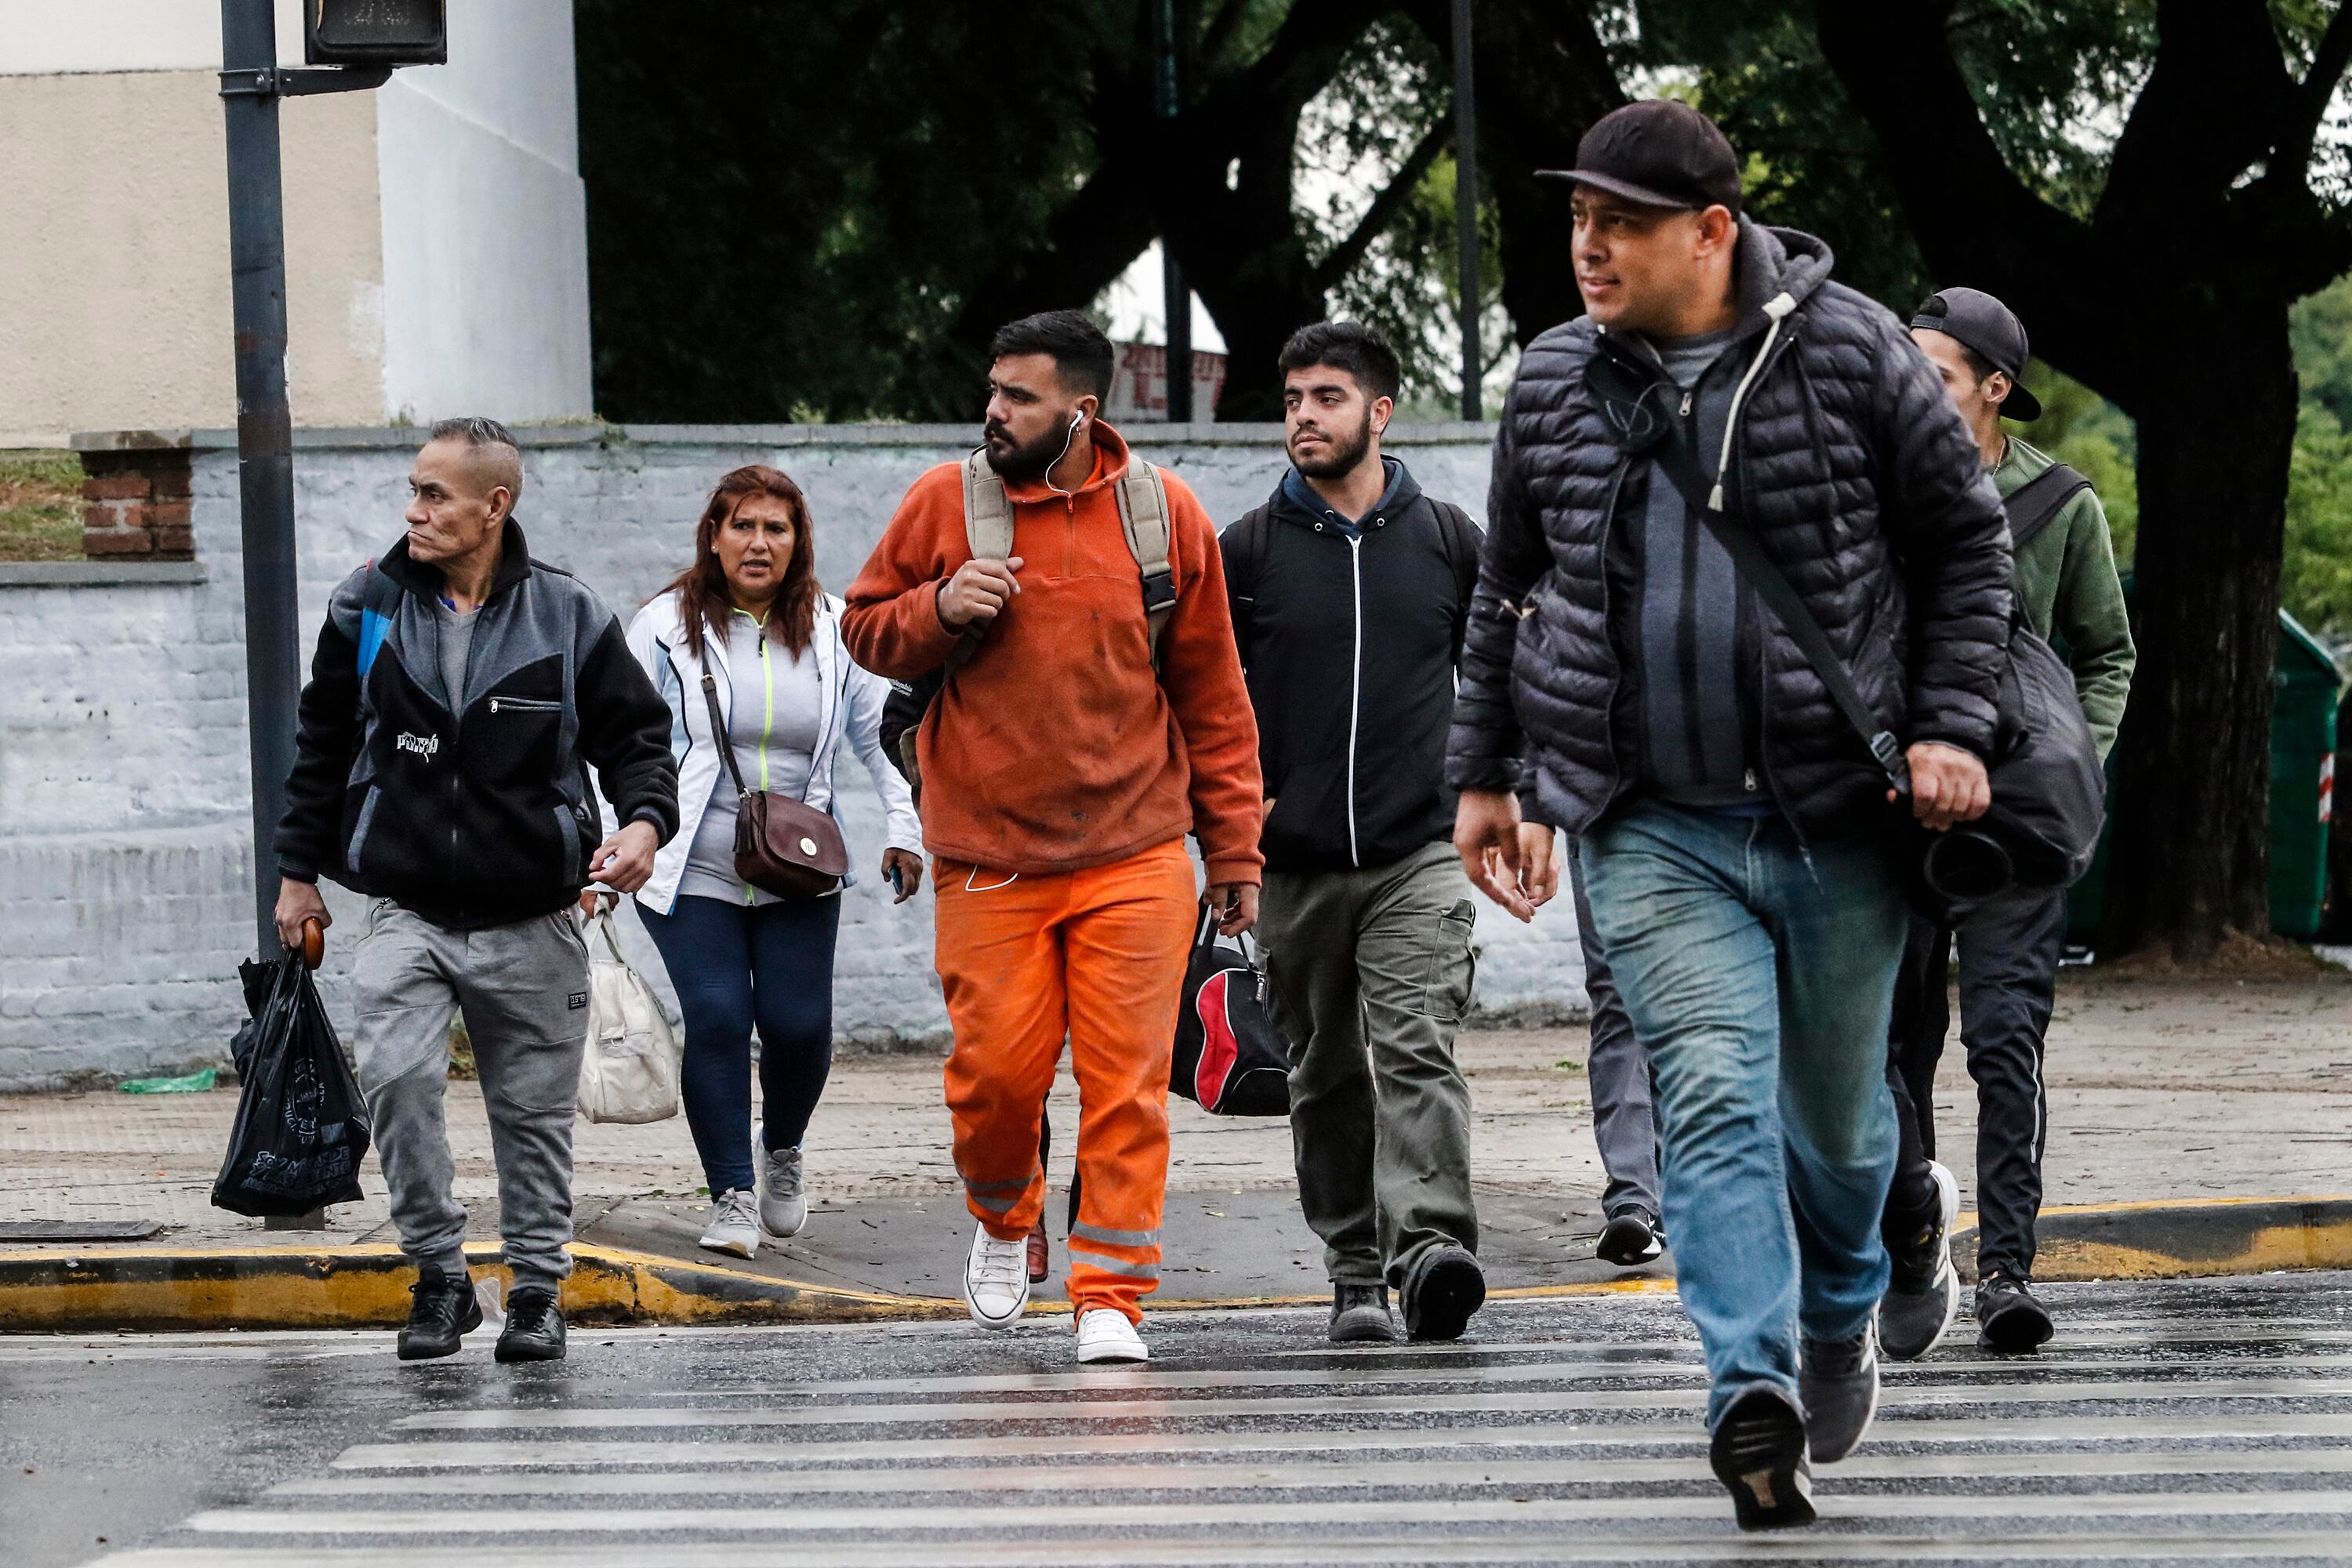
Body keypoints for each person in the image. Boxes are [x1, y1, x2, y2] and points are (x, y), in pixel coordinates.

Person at [1447, 101, 2012, 1528]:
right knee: (1704, 1095)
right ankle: (1745, 1383)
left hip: (1837, 816)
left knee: (1833, 1126)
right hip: (1647, 820)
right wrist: (1486, 775)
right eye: (1577, 218)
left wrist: (1949, 725)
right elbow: (1509, 585)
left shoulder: (1854, 350)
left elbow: (1964, 545)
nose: (1587, 246)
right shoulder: (1554, 378)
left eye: (1619, 222)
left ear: (1710, 232)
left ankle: (1843, 1310)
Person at [843, 310, 1264, 1365]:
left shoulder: (1163, 515)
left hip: (1137, 854)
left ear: (1079, 410)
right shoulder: (947, 501)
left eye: (1016, 397)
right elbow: (861, 627)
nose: (992, 411)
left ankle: (1111, 1293)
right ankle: (1002, 1212)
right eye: (991, 391)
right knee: (996, 1081)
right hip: (989, 859)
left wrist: (1235, 852)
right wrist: (939, 606)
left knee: (1126, 1084)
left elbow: (1214, 698)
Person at [274, 416, 679, 1364]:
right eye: (413, 490)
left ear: (494, 505)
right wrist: (298, 875)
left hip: (536, 914)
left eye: (434, 494)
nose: (413, 510)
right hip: (404, 910)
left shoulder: (566, 613)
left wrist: (643, 826)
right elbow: (322, 747)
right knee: (398, 1082)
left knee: (530, 1119)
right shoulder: (367, 604)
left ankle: (537, 1288)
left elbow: (637, 741)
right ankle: (440, 1276)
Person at [1877, 289, 2135, 1360]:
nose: (1906, 391)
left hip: (2015, 826)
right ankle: (1911, 1244)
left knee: (2005, 1042)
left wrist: (2075, 763)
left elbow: (2107, 654)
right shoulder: (1869, 491)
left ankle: (2008, 1270)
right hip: (1889, 815)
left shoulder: (2060, 502)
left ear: (1993, 387)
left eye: (1929, 371)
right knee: (1890, 1044)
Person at [1222, 321, 1490, 1345]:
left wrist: (1499, 794)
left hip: (1417, 851)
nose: (1302, 418)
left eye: (1325, 398)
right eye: (1291, 400)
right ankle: (1354, 1267)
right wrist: (1229, 844)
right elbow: (1209, 707)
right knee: (1325, 1070)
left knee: (1417, 1043)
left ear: (1380, 412)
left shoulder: (1448, 540)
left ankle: (1430, 1248)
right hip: (1290, 864)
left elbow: (1497, 683)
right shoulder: (1246, 551)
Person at [618, 465, 925, 1260]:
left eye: (777, 528)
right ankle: (729, 1193)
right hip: (688, 864)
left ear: (799, 542)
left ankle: (780, 1145)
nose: (759, 542)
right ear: (713, 537)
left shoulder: (834, 626)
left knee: (798, 1027)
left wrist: (905, 824)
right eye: (743, 526)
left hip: (797, 860)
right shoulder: (661, 625)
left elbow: (879, 732)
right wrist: (617, 835)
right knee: (717, 1017)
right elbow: (617, 738)